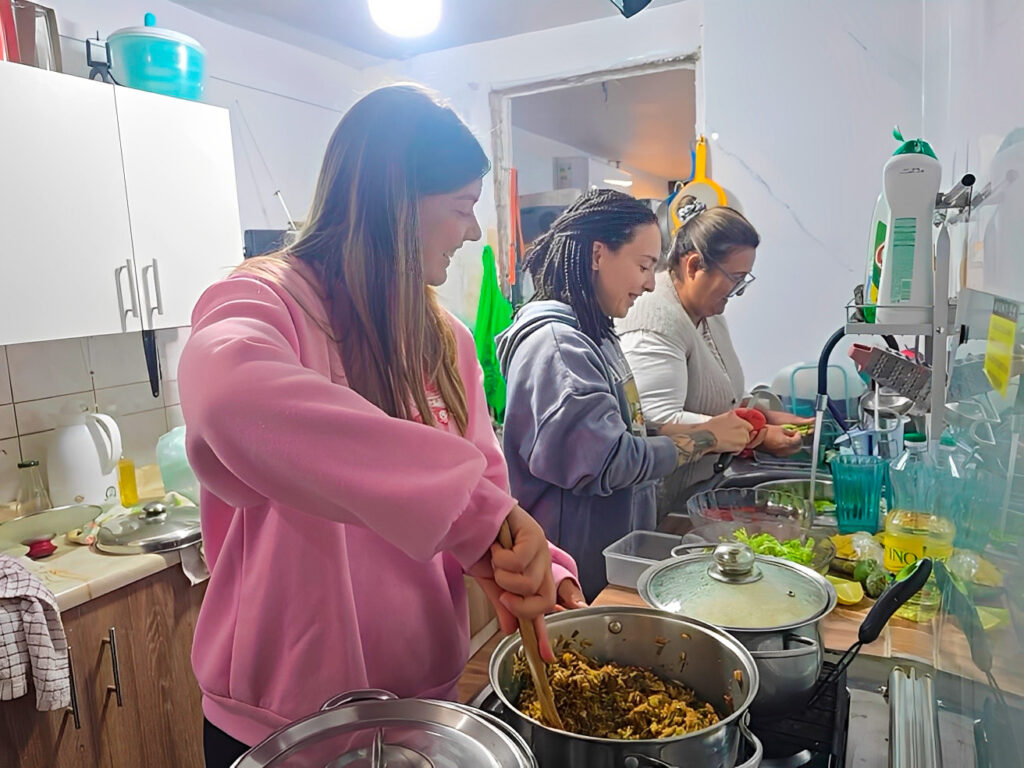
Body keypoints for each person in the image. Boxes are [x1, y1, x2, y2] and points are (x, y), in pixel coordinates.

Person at [178, 85, 583, 768]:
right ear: (396, 204)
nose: (473, 233)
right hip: (279, 727)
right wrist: (470, 512)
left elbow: (486, 496)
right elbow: (226, 398)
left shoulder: (447, 341)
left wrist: (543, 570)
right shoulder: (263, 300)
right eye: (461, 207)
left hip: (421, 711)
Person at [497, 189, 755, 600]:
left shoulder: (595, 333)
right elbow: (609, 460)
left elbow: (624, 428)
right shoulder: (559, 348)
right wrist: (707, 439)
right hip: (573, 579)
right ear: (598, 255)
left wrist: (696, 431)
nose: (650, 284)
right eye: (643, 266)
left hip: (608, 564)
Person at [617, 198, 813, 512]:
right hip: (663, 505)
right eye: (735, 278)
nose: (739, 291)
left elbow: (721, 396)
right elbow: (656, 419)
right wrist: (759, 435)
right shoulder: (655, 321)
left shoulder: (709, 313)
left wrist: (765, 415)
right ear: (694, 266)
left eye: (744, 279)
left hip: (702, 489)